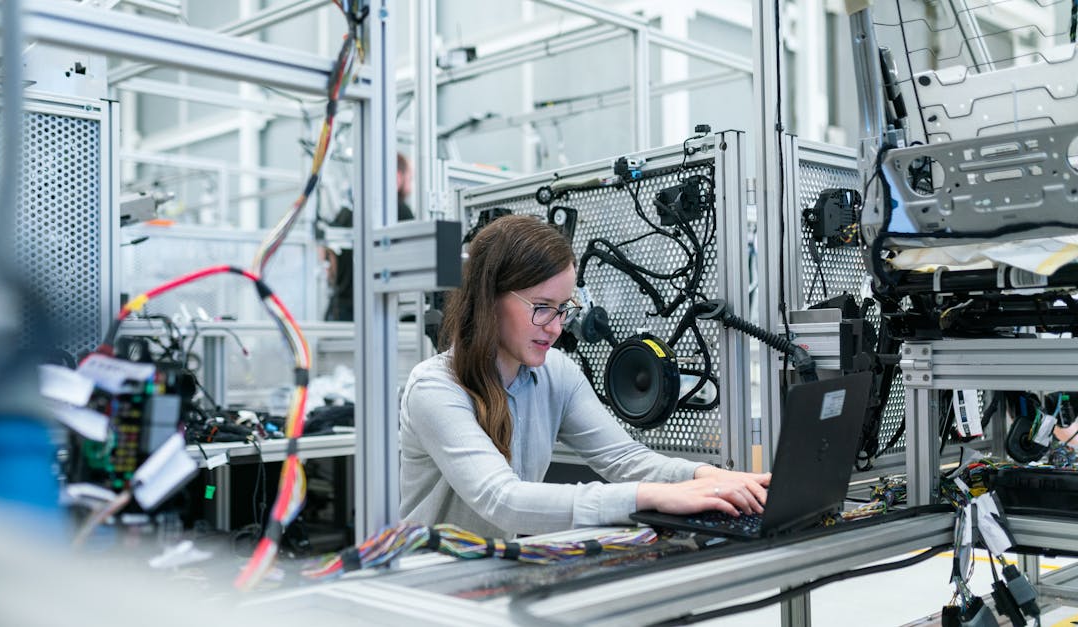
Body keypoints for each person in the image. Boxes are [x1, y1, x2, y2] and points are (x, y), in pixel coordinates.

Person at [399, 214, 770, 538]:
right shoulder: (435, 387)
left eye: (563, 309)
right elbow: (503, 500)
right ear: (489, 300)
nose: (557, 328)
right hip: (430, 585)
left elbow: (625, 459)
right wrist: (651, 496)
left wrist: (707, 477)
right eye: (542, 308)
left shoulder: (556, 373)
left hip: (494, 572)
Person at [323, 152, 415, 321]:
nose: (411, 185)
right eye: (410, 178)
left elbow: (328, 260)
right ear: (397, 177)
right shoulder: (399, 210)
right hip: (376, 311)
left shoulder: (347, 212)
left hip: (340, 311)